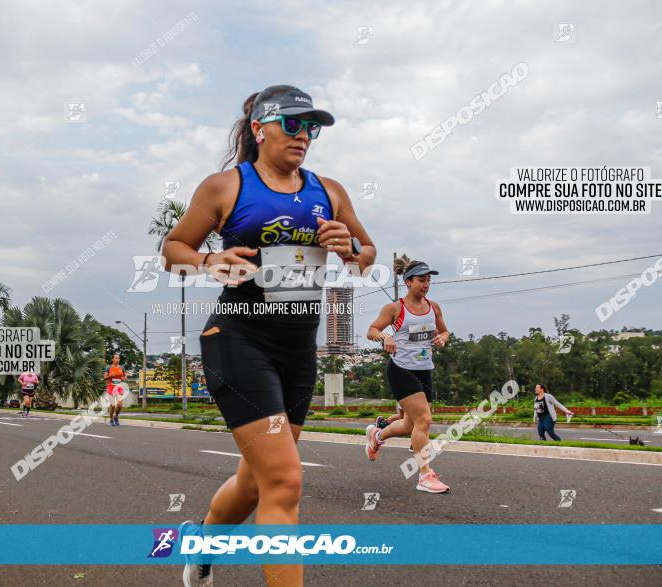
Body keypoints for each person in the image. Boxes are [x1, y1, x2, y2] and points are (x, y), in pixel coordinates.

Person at [162, 85, 375, 587]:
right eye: (294, 124)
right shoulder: (226, 187)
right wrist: (209, 260)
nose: (305, 136)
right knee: (285, 480)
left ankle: (199, 545)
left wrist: (351, 249)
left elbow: (367, 254)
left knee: (257, 482)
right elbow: (173, 248)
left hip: (299, 349)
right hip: (237, 340)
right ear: (261, 128)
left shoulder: (330, 191)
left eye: (313, 127)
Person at [364, 256, 451, 494]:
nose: (426, 284)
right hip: (401, 369)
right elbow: (372, 331)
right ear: (408, 282)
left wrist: (443, 337)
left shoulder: (434, 307)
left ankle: (377, 435)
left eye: (428, 280)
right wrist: (386, 337)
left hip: (425, 370)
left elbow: (444, 331)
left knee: (408, 425)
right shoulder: (395, 308)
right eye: (421, 280)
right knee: (424, 420)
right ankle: (425, 476)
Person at [104, 355, 126, 426]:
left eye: (118, 358)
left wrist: (124, 378)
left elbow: (125, 376)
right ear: (113, 359)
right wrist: (110, 376)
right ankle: (111, 419)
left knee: (120, 405)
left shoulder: (122, 368)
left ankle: (115, 417)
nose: (117, 359)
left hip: (119, 388)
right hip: (111, 388)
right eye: (116, 358)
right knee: (113, 405)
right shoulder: (109, 367)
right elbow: (104, 378)